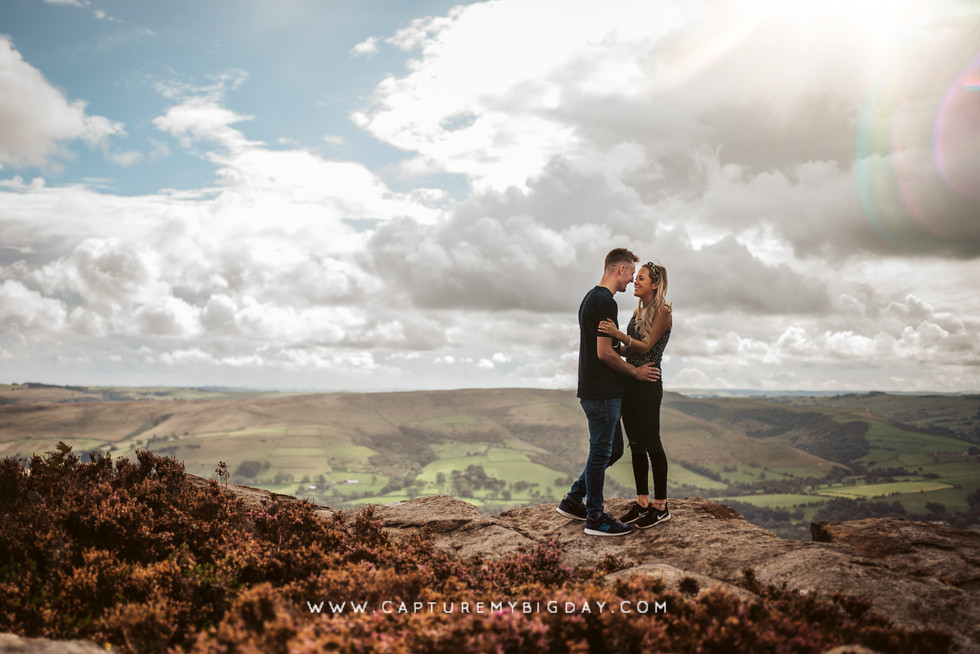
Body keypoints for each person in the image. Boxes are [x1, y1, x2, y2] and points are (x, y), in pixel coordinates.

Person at [556, 248, 661, 537]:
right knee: (602, 451)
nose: (631, 281)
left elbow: (607, 348)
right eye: (631, 274)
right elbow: (604, 354)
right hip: (602, 391)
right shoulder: (605, 302)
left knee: (612, 450)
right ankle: (596, 519)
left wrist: (627, 349)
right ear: (620, 269)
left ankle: (573, 500)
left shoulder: (592, 297)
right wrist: (636, 371)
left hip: (598, 389)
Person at [598, 261, 672, 529]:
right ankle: (642, 502)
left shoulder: (663, 310)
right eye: (635, 277)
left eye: (641, 278)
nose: (635, 281)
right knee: (636, 445)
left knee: (652, 442)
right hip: (631, 381)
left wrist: (618, 335)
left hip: (649, 383)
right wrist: (608, 346)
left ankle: (661, 505)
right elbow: (631, 351)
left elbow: (647, 346)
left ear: (655, 283)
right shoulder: (637, 311)